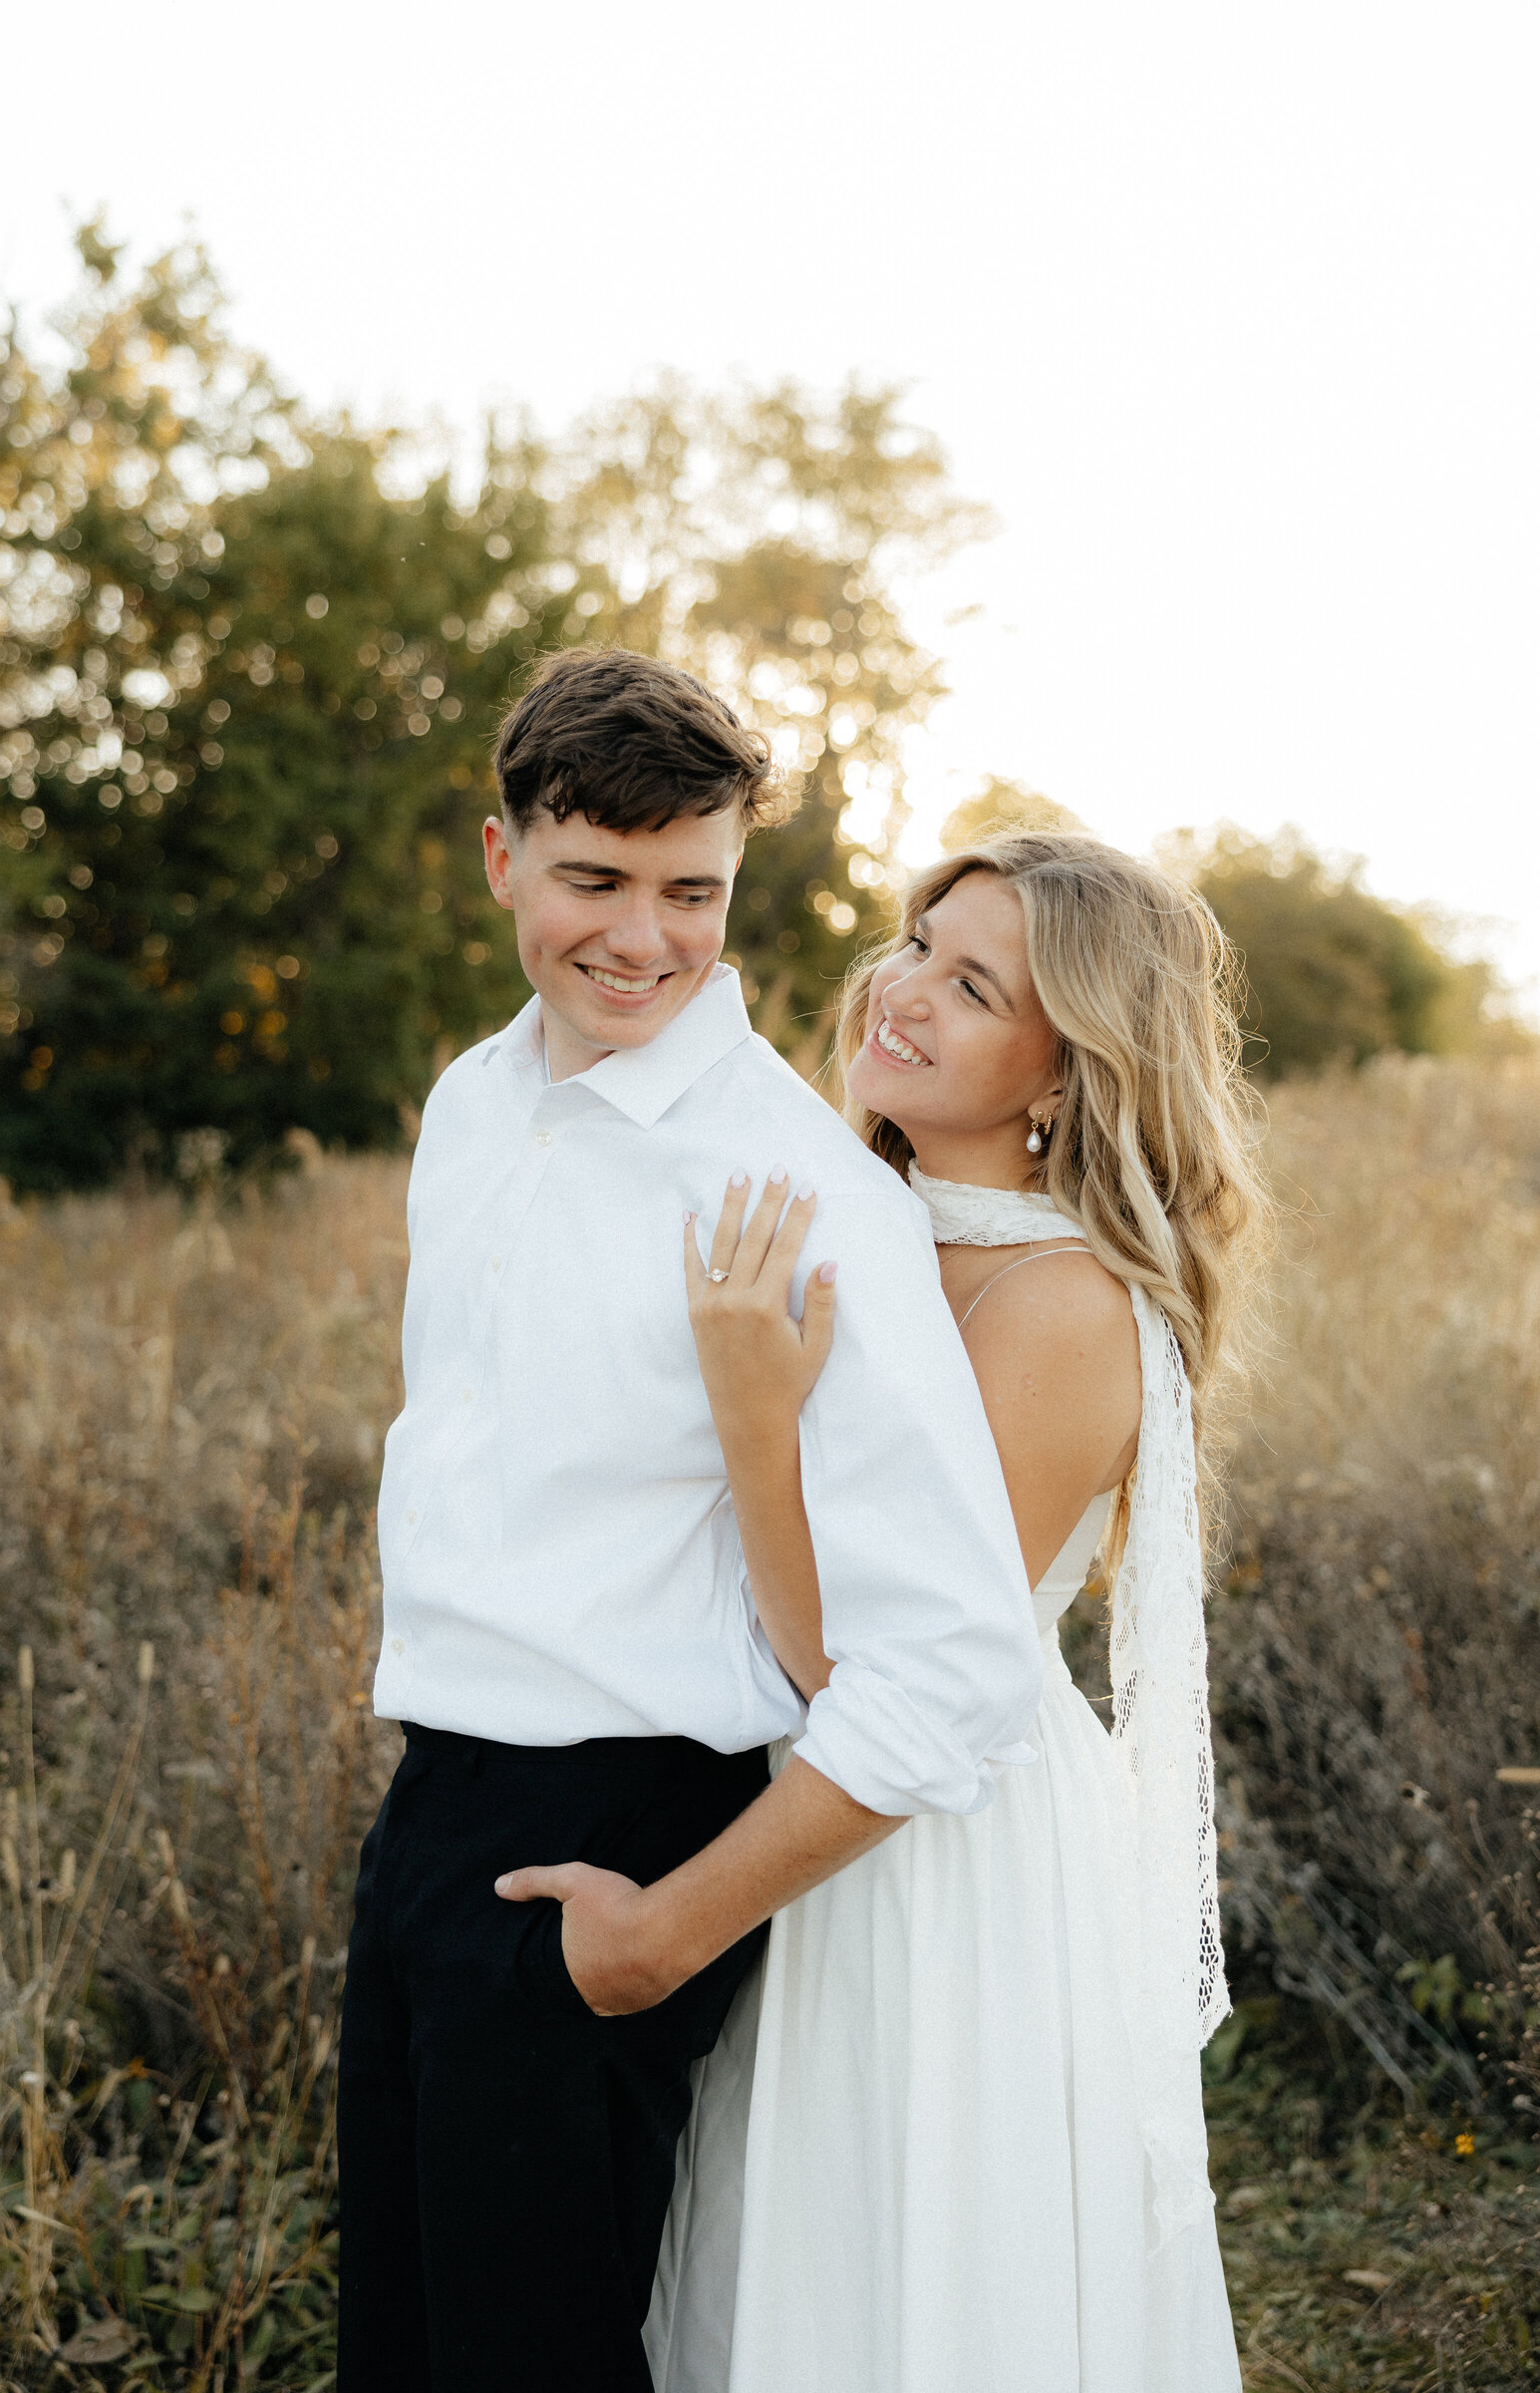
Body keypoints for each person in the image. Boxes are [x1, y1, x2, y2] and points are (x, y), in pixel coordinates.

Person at [335, 650, 1047, 2393]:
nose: (642, 939)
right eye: (594, 879)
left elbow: (954, 1662)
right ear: (502, 858)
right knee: (399, 2352)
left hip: (630, 1821)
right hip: (434, 1795)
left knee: (536, 2364)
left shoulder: (798, 1191)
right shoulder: (464, 1107)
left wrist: (665, 1933)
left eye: (692, 892)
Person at [646, 831, 1268, 2391]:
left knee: (908, 2265)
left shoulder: (1063, 1309)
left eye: (973, 983)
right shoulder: (852, 1209)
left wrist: (753, 1420)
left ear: (1065, 1074)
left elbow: (867, 1672)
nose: (903, 990)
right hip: (792, 1803)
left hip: (945, 1846)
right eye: (920, 942)